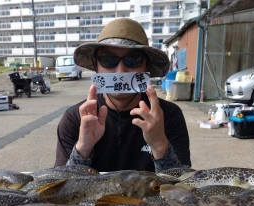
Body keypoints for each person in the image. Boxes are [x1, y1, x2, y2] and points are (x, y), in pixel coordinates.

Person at [54, 18, 191, 172]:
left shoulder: (169, 115)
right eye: (108, 60)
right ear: (96, 66)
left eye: (133, 60)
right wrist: (82, 149)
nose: (120, 71)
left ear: (146, 66)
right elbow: (58, 188)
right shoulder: (76, 118)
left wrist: (160, 145)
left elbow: (183, 188)